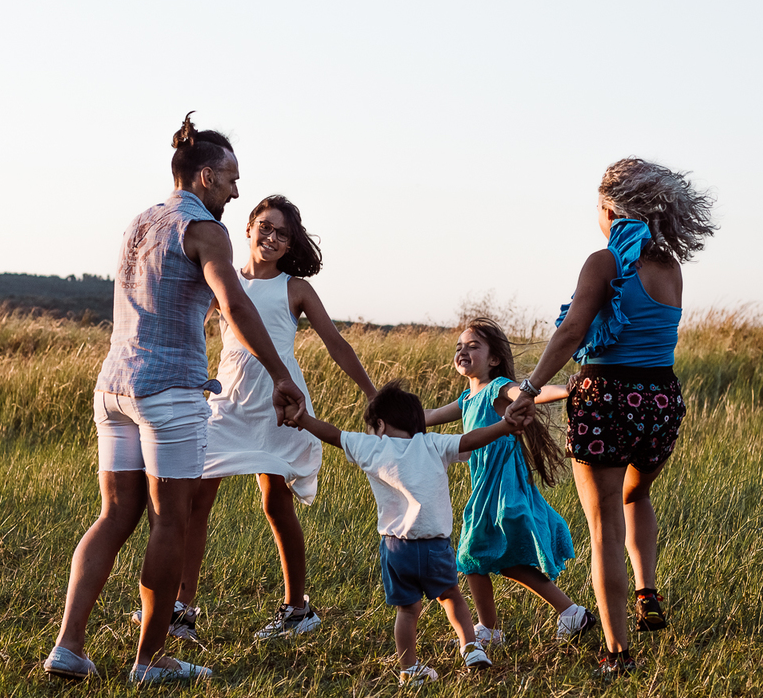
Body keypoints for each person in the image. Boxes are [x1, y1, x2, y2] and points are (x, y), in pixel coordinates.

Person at [42, 113, 307, 684]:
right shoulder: (206, 230)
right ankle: (150, 659)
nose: (238, 190)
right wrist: (282, 375)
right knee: (171, 519)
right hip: (169, 392)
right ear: (207, 176)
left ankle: (69, 646)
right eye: (232, 179)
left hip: (114, 384)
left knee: (114, 513)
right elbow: (234, 303)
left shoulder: (142, 221)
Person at [505, 157, 716, 678]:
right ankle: (647, 591)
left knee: (604, 527)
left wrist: (530, 388)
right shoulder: (671, 267)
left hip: (605, 396)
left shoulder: (604, 262)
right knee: (636, 494)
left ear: (610, 209)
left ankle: (617, 652)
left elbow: (573, 330)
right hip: (661, 400)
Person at [162, 194, 376, 641]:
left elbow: (337, 343)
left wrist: (372, 394)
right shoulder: (222, 280)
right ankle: (181, 609)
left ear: (290, 242)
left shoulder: (295, 288)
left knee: (276, 503)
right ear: (248, 228)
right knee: (197, 498)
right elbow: (190, 329)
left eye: (282, 232)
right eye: (265, 227)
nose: (272, 237)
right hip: (228, 403)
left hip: (281, 405)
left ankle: (297, 610)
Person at [290, 381, 511, 685]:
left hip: (396, 549)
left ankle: (409, 668)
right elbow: (471, 439)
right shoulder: (432, 443)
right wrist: (505, 425)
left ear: (379, 424)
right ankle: (471, 647)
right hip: (435, 545)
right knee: (452, 597)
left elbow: (332, 434)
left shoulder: (372, 446)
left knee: (407, 611)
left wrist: (301, 418)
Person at [424, 318, 596, 647]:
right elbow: (428, 416)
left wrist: (569, 389)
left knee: (476, 554)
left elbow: (531, 392)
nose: (463, 351)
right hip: (485, 487)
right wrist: (390, 418)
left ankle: (500, 628)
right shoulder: (466, 399)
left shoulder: (498, 387)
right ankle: (557, 616)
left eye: (473, 346)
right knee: (482, 558)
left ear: (493, 359)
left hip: (504, 486)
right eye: (459, 347)